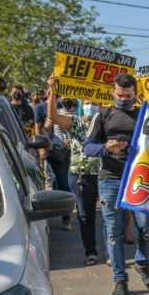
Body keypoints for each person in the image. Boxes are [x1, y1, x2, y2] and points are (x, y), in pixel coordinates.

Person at [84, 73, 149, 295]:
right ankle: (119, 279)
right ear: (112, 93)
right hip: (110, 179)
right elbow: (88, 147)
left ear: (136, 94)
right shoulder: (103, 115)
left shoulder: (145, 115)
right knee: (113, 233)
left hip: (140, 180)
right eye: (119, 95)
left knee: (146, 228)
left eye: (128, 95)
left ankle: (142, 263)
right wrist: (106, 147)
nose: (123, 99)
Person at [46, 75, 100, 264]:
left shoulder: (105, 121)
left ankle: (112, 253)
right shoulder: (75, 122)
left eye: (94, 102)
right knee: (85, 216)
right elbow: (52, 117)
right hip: (80, 175)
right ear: (81, 103)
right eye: (87, 102)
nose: (91, 105)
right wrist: (52, 91)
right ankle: (91, 252)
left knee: (112, 216)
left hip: (105, 176)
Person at [47, 96, 76, 230]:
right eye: (64, 98)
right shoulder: (56, 113)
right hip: (60, 152)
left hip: (75, 153)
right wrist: (50, 142)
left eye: (69, 98)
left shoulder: (79, 114)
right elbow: (45, 127)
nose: (67, 101)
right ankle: (66, 219)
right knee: (63, 183)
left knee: (71, 184)